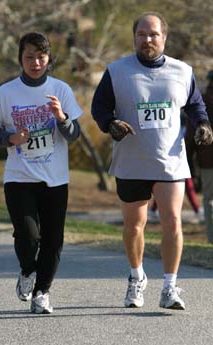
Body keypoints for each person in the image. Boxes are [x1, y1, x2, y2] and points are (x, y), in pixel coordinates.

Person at [91, 12, 213, 310]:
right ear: (134, 37)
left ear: (164, 37)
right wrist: (110, 124)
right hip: (131, 161)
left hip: (169, 160)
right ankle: (136, 277)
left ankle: (170, 287)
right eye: (142, 34)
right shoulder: (117, 71)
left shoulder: (182, 71)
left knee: (172, 221)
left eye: (153, 34)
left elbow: (196, 106)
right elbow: (99, 107)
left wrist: (204, 125)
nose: (147, 39)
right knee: (135, 225)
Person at [0, 32, 83, 314]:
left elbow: (74, 135)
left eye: (41, 56)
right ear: (20, 59)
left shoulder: (61, 90)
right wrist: (10, 139)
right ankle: (28, 270)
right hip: (19, 177)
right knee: (27, 236)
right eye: (29, 57)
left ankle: (42, 293)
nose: (36, 62)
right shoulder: (5, 93)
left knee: (53, 239)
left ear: (49, 58)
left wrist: (61, 118)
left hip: (55, 178)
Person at [185, 70, 213, 242]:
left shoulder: (200, 103)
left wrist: (189, 166)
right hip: (207, 159)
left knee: (209, 200)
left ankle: (211, 238)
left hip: (207, 160)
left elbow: (190, 136)